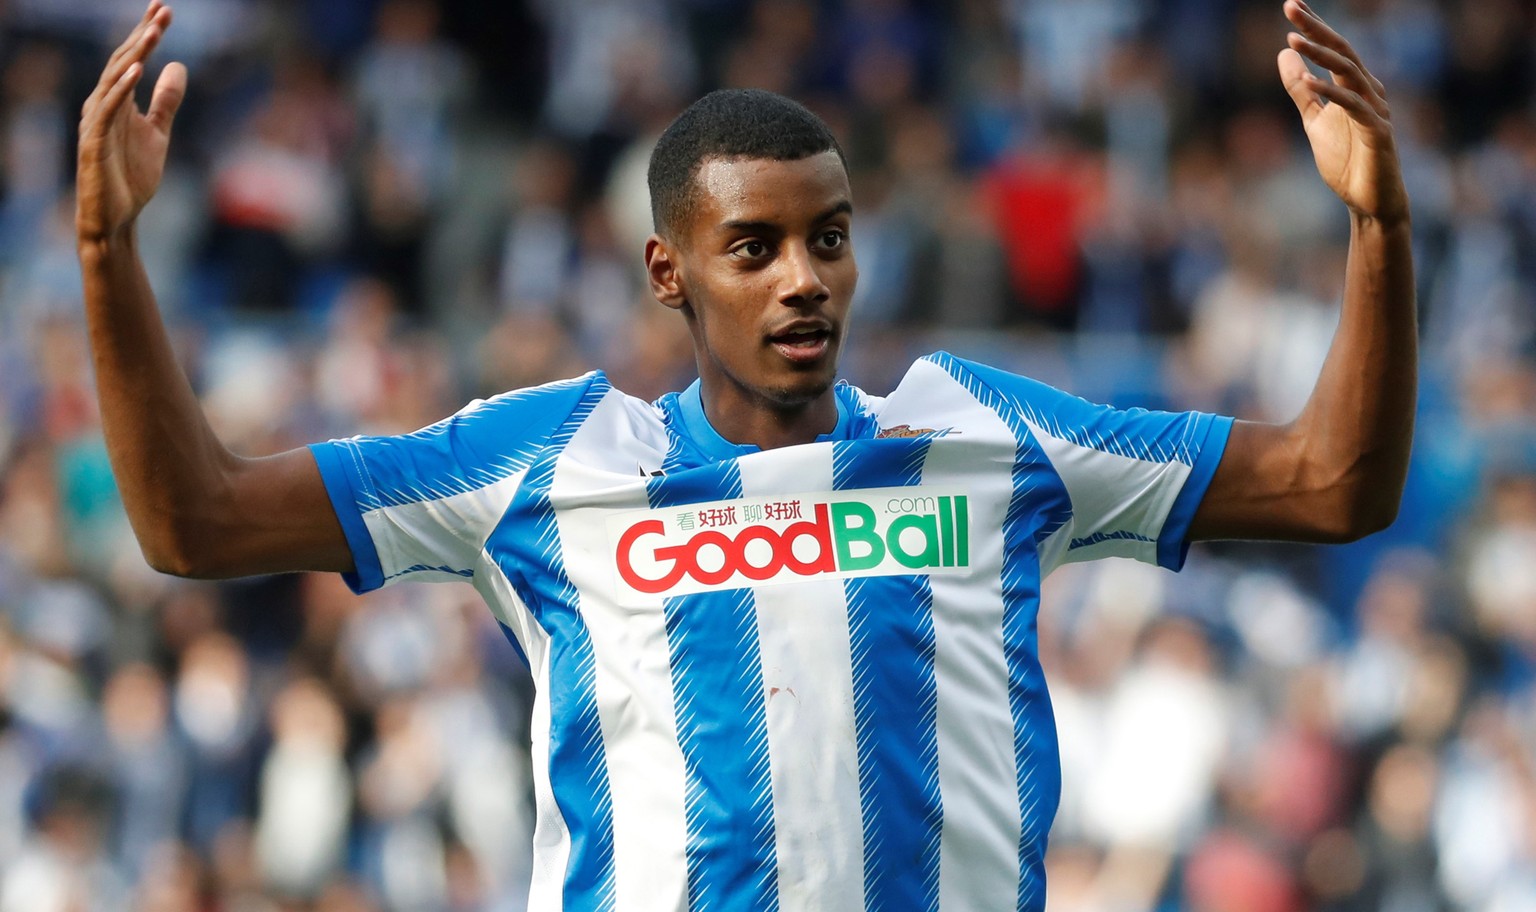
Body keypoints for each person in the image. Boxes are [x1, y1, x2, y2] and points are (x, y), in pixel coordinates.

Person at [75, 1, 1414, 909]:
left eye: (828, 237)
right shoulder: (546, 464)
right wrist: (107, 255)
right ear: (669, 271)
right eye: (753, 248)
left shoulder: (988, 437)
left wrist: (1377, 228)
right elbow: (199, 523)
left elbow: (1334, 483)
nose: (803, 280)